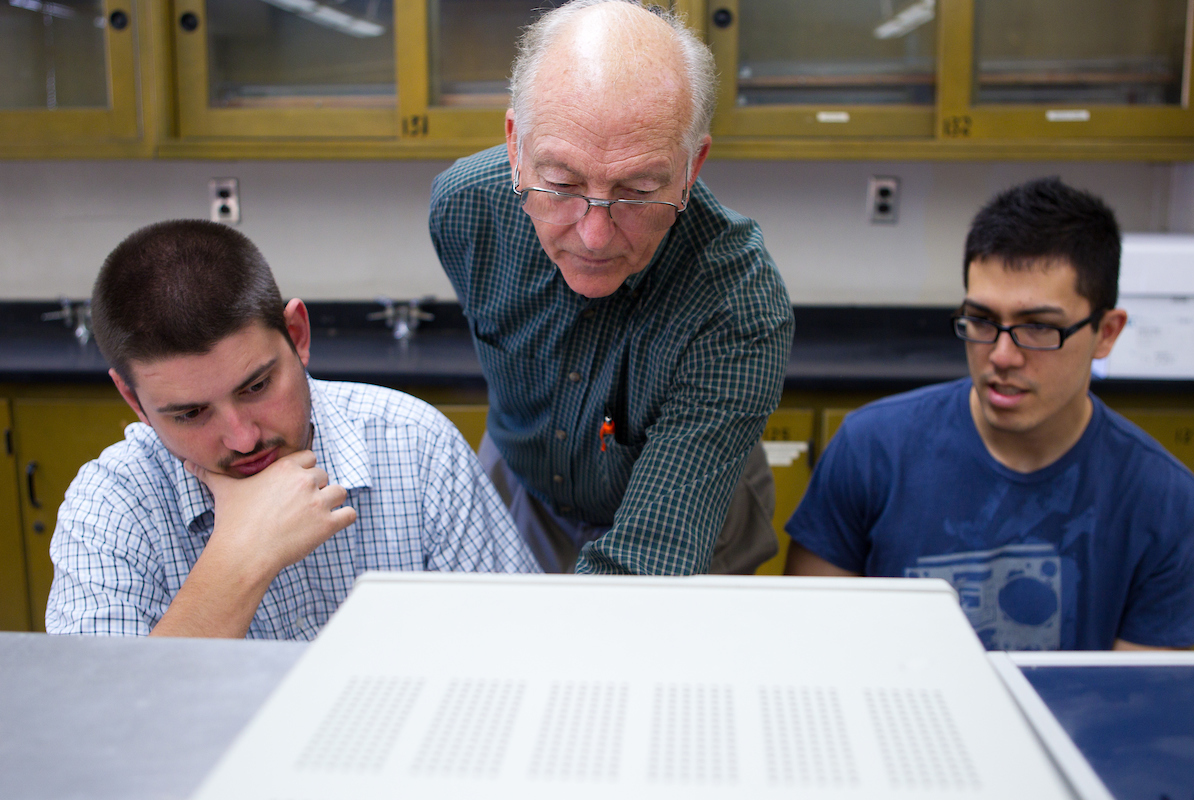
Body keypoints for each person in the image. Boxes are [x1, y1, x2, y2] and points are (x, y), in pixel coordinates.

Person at [429, 0, 793, 575]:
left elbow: (648, 560)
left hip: (691, 509)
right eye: (561, 182)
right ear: (514, 145)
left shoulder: (737, 299)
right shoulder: (466, 209)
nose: (595, 236)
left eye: (639, 188)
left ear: (691, 168)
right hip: (528, 483)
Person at [46, 220, 538, 639]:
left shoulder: (415, 445)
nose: (242, 438)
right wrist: (241, 556)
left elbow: (524, 645)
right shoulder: (108, 509)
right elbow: (102, 726)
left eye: (256, 386)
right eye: (190, 414)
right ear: (134, 400)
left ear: (297, 336)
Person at [784, 177, 1194, 651]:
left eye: (1039, 328)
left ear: (1106, 332)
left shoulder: (1166, 504)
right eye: (982, 320)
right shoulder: (871, 451)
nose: (1002, 355)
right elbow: (816, 654)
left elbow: (1132, 708)